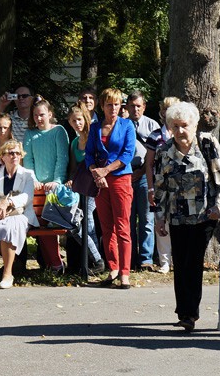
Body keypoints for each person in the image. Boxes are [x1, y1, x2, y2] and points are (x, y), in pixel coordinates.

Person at [153, 101, 220, 331]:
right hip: (177, 216)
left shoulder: (207, 144)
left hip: (204, 215)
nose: (179, 131)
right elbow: (160, 187)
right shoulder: (164, 151)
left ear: (195, 124)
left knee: (193, 262)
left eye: (184, 125)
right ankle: (184, 312)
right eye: (174, 126)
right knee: (181, 262)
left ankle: (191, 313)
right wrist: (160, 217)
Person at [85, 87, 136, 289]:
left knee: (123, 227)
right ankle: (113, 268)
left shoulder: (127, 125)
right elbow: (89, 154)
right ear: (102, 106)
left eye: (117, 104)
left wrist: (105, 171)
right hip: (100, 181)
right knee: (106, 228)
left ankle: (125, 273)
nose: (113, 108)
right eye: (109, 104)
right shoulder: (95, 127)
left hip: (120, 180)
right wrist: (96, 173)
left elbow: (127, 154)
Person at [0, 139, 36, 289]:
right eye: (11, 153)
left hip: (21, 213)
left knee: (8, 228)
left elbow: (27, 196)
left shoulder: (28, 174)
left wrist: (8, 202)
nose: (15, 156)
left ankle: (7, 273)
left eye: (18, 153)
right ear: (2, 156)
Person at [23, 96, 69, 273]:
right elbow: (28, 160)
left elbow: (61, 159)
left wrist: (56, 181)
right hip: (36, 186)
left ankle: (57, 263)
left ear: (50, 114)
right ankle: (52, 264)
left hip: (54, 186)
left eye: (42, 114)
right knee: (40, 225)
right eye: (35, 115)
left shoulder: (58, 131)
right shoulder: (30, 134)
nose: (39, 118)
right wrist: (34, 179)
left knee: (51, 225)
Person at [67, 102, 104, 272]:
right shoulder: (75, 142)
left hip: (94, 185)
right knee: (78, 224)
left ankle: (96, 261)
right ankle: (94, 260)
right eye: (74, 121)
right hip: (80, 187)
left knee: (88, 221)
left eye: (80, 120)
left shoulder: (93, 137)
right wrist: (70, 180)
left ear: (86, 119)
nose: (78, 123)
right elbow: (74, 168)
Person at [144, 96, 179, 273]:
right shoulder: (155, 135)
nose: (169, 113)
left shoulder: (184, 133)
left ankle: (179, 259)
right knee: (161, 222)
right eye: (166, 110)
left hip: (181, 186)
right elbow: (148, 164)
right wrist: (151, 188)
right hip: (160, 186)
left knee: (180, 222)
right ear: (162, 112)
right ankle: (164, 261)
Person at [125, 91, 160, 271]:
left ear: (144, 107)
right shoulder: (122, 125)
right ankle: (129, 258)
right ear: (127, 107)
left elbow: (155, 153)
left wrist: (141, 172)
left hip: (145, 177)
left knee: (147, 219)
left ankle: (146, 259)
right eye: (132, 106)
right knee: (128, 220)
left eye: (139, 106)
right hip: (125, 177)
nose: (135, 109)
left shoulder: (152, 125)